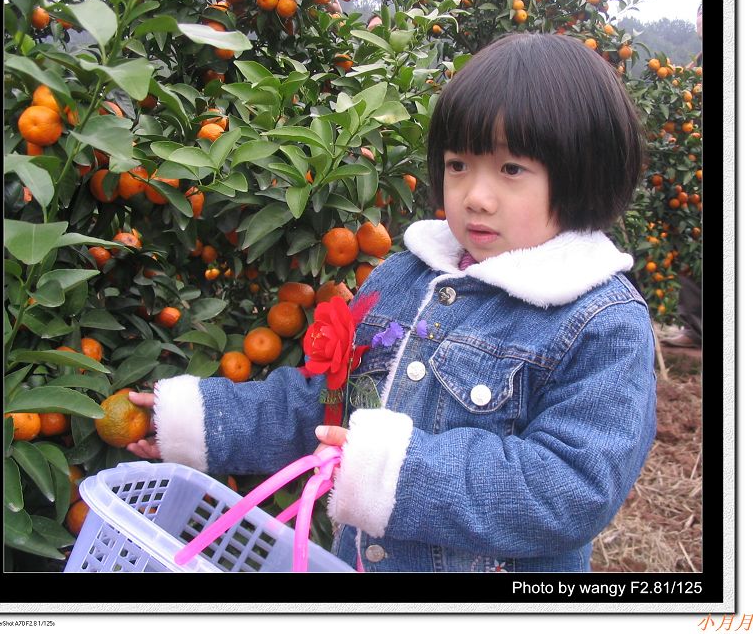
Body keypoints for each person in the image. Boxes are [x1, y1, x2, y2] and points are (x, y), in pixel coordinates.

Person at [127, 32, 657, 573]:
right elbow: (322, 407)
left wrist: (393, 474)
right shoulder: (405, 275)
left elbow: (569, 488)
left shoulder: (598, 321)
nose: (475, 195)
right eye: (458, 165)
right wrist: (197, 421)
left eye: (511, 169)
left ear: (583, 174)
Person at [662, 2, 703, 349]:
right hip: (693, 179)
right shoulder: (691, 71)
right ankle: (696, 329)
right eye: (701, 15)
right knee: (692, 252)